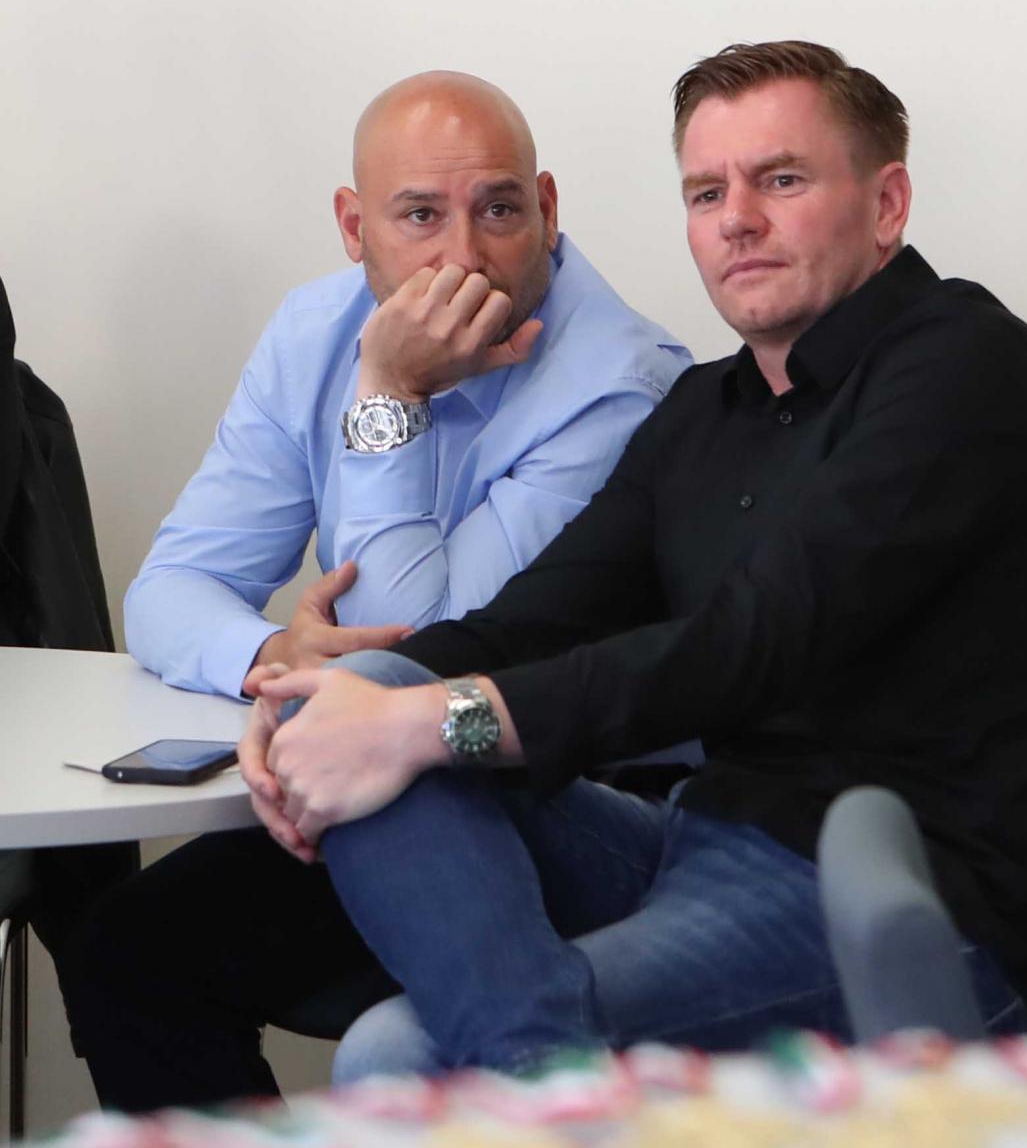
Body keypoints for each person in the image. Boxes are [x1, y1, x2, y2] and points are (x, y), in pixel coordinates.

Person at [67, 42, 1027, 1110]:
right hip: (701, 846)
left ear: (886, 203)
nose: (738, 220)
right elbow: (530, 620)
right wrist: (316, 700)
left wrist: (430, 719)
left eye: (781, 180)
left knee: (400, 1052)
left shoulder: (962, 364)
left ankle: (539, 1083)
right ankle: (545, 1079)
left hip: (907, 905)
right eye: (707, 192)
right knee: (372, 699)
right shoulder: (711, 409)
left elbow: (742, 648)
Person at [123, 70, 690, 700]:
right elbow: (167, 591)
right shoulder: (312, 333)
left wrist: (391, 392)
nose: (464, 258)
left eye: (498, 210)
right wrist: (273, 652)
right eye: (422, 215)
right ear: (354, 226)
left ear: (547, 210)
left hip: (557, 755)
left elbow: (415, 666)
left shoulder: (619, 387)